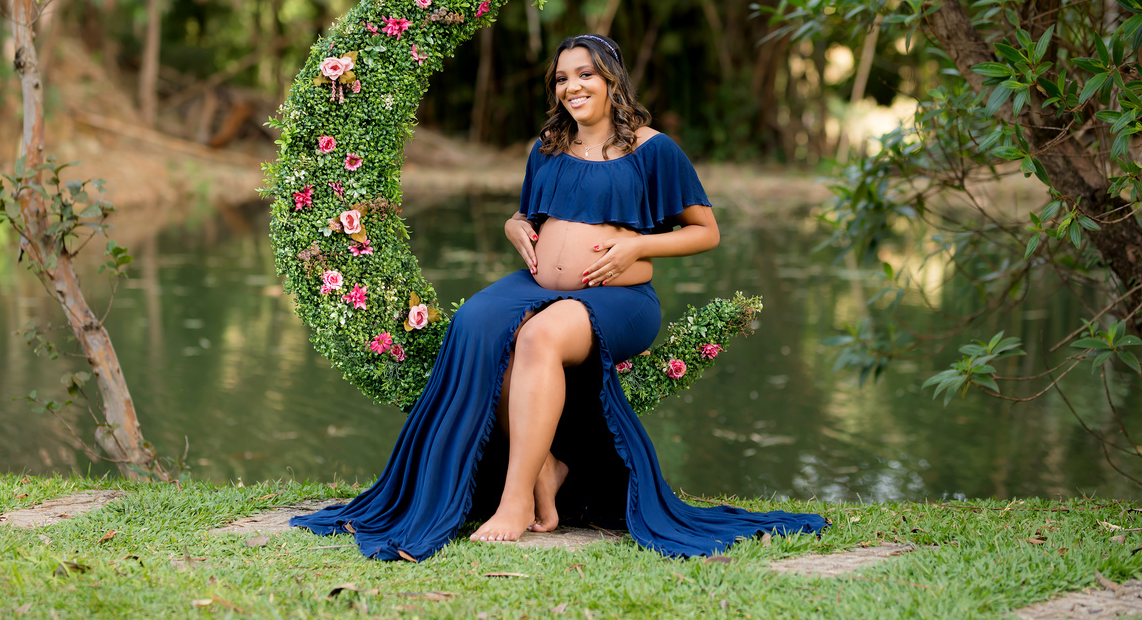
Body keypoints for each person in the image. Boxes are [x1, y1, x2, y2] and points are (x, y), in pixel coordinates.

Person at [290, 34, 828, 560]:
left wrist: (638, 243)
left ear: (612, 79)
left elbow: (705, 232)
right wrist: (512, 226)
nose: (572, 87)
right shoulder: (546, 148)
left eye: (585, 74)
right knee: (475, 323)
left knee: (540, 336)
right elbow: (532, 216)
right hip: (538, 284)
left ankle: (515, 499)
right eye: (562, 78)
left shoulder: (653, 149)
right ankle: (543, 464)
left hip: (620, 299)